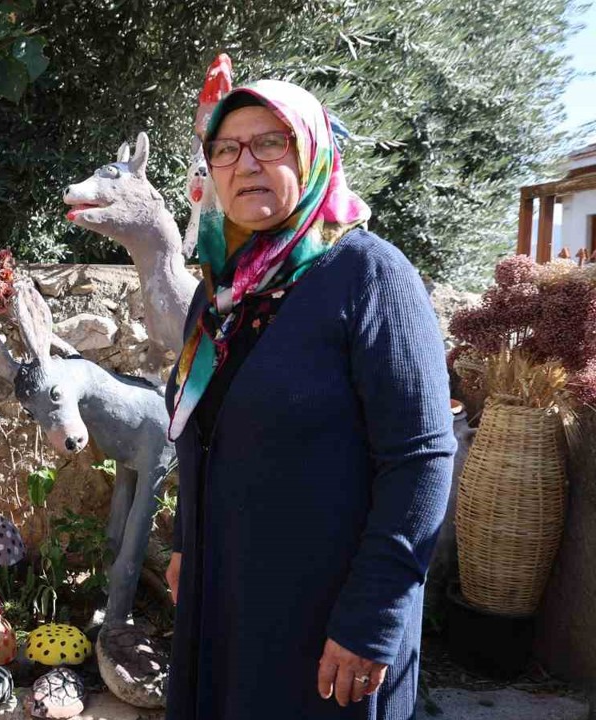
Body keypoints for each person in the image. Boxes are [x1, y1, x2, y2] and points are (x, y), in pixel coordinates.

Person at [163, 80, 455, 720]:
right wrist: (188, 540)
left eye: (271, 142)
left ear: (314, 153)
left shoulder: (371, 277)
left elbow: (422, 460)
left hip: (325, 623)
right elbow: (201, 427)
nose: (246, 164)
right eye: (227, 149)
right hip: (227, 598)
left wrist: (371, 621)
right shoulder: (220, 293)